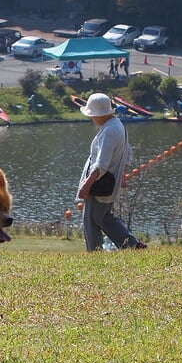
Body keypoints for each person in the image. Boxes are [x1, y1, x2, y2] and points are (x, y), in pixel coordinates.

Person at [74, 93, 145, 251]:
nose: (91, 118)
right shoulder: (116, 125)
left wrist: (86, 185)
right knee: (103, 218)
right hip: (108, 182)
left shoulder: (109, 131)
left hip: (100, 184)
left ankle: (96, 253)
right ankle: (132, 245)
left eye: (92, 115)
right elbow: (128, 153)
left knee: (91, 220)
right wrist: (123, 175)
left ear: (99, 115)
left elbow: (101, 164)